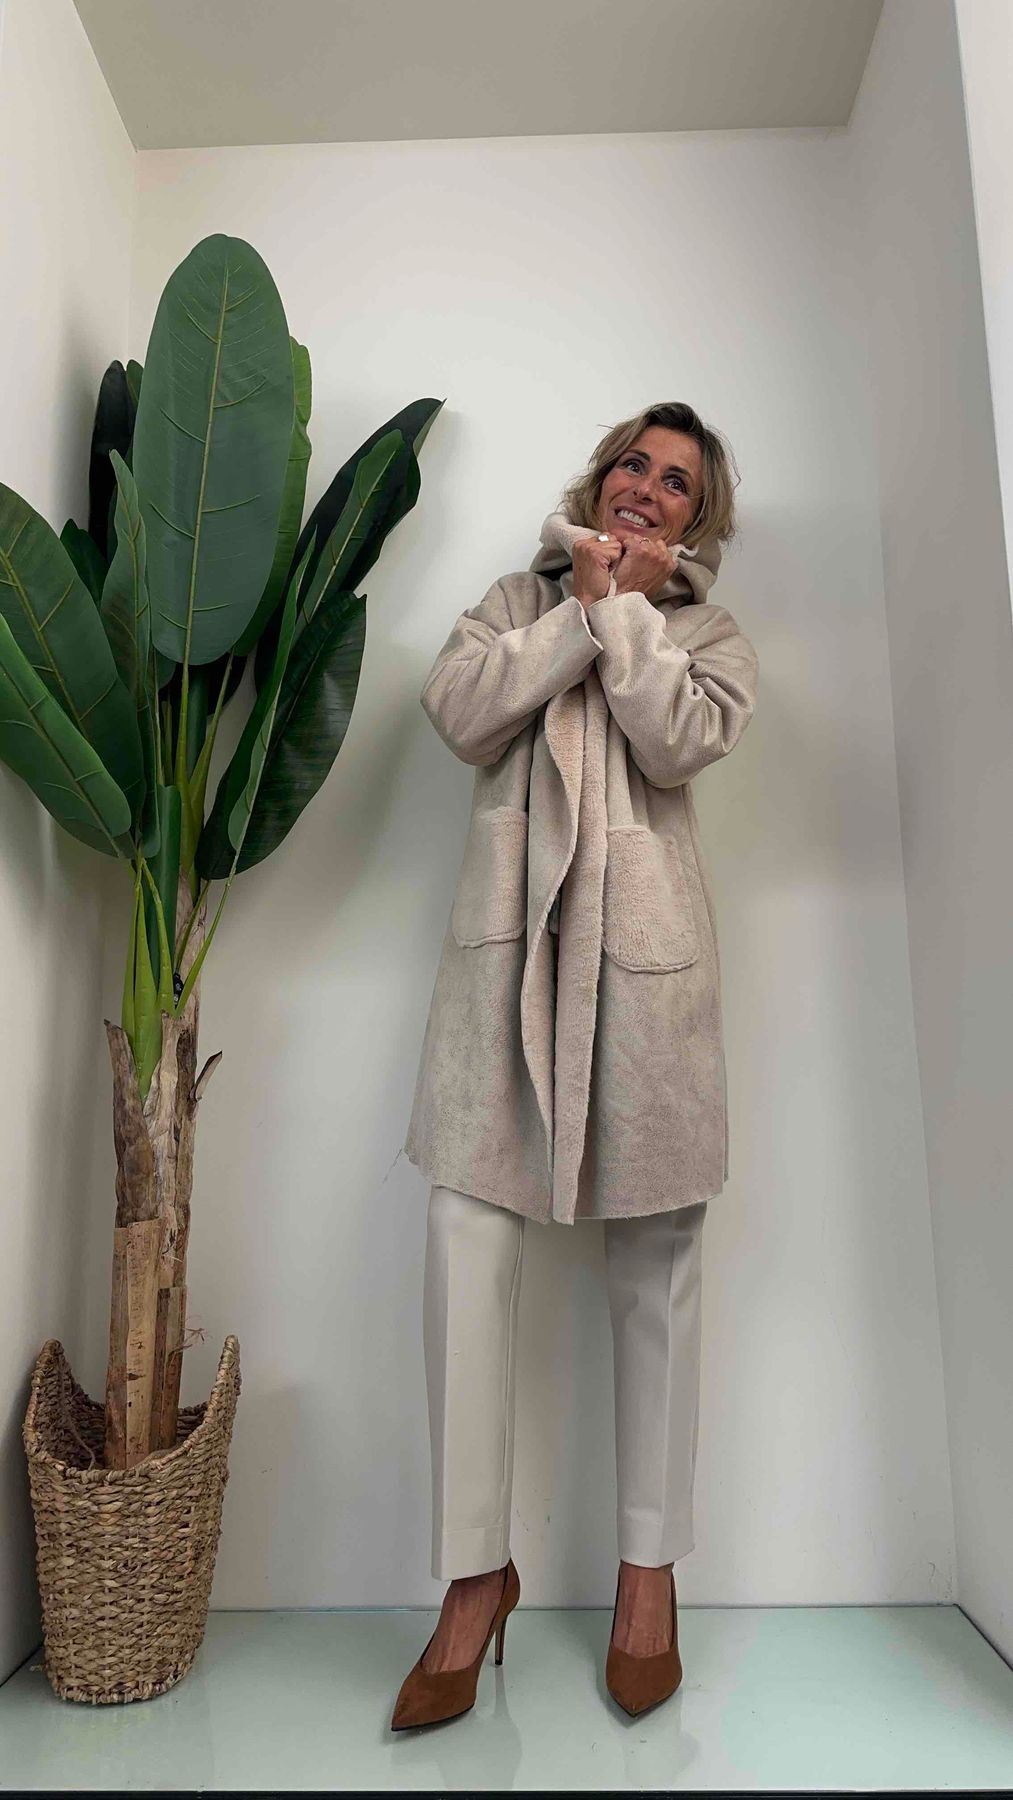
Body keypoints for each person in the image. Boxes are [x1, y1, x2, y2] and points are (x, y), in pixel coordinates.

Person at [393, 402, 760, 1728]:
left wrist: (629, 616)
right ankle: (471, 1576)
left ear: (699, 518)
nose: (648, 489)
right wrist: (578, 607)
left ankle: (646, 1573)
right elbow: (460, 711)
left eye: (678, 483)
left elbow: (677, 741)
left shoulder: (707, 637)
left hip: (645, 982)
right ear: (599, 477)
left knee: (658, 1257)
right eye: (634, 465)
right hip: (506, 975)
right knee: (463, 1238)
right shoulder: (513, 601)